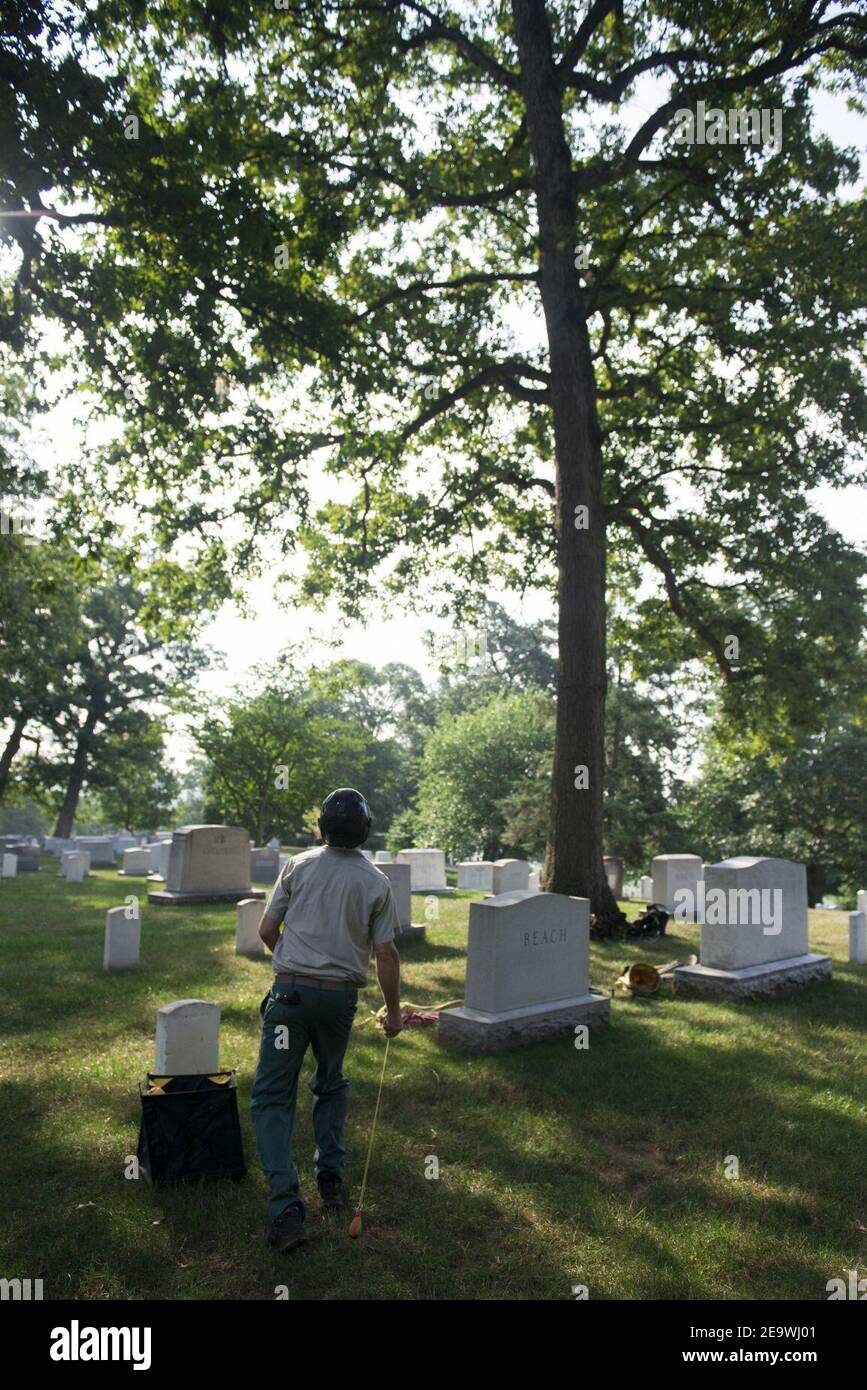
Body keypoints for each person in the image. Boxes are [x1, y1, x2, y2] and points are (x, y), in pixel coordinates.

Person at [250, 788, 403, 1253]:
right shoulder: (376, 882)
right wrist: (395, 1012)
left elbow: (266, 930)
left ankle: (286, 1207)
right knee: (331, 1083)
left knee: (273, 1097)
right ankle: (331, 1181)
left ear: (320, 827)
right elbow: (385, 954)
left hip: (289, 999)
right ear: (365, 830)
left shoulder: (298, 866)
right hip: (338, 1004)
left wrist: (294, 968)